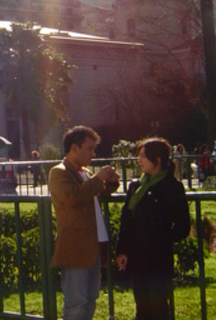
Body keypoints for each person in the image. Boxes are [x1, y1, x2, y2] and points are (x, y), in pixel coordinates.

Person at [49, 126, 120, 320]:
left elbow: (95, 193)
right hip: (75, 248)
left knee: (90, 300)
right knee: (76, 304)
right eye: (89, 148)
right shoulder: (58, 172)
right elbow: (73, 197)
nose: (93, 153)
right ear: (74, 148)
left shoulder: (85, 172)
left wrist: (111, 183)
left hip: (93, 246)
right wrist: (97, 179)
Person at [116, 138, 191, 320]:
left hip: (158, 257)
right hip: (137, 256)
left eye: (143, 156)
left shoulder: (172, 187)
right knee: (142, 306)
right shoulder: (136, 187)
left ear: (157, 160)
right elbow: (126, 220)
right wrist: (122, 250)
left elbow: (182, 225)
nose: (139, 160)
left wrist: (163, 238)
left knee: (159, 307)